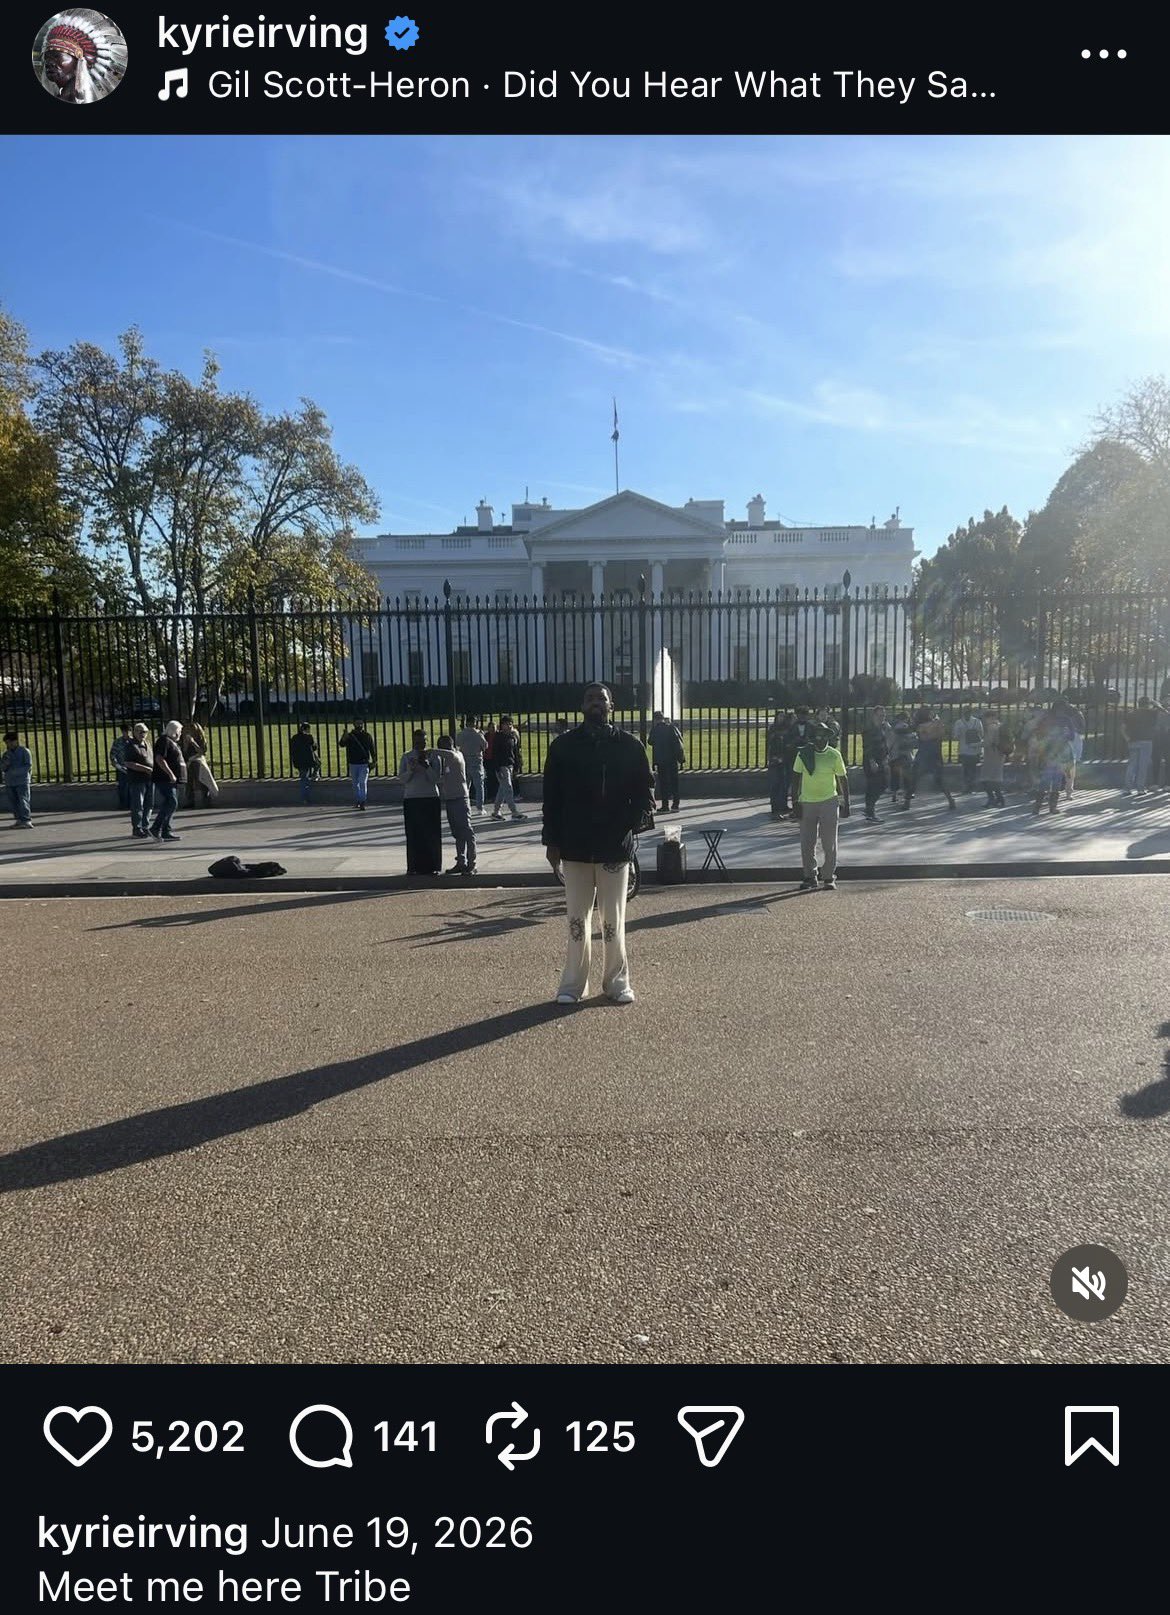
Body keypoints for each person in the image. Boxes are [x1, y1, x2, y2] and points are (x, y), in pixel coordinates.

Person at [542, 682, 655, 1005]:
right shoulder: (563, 747)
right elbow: (551, 799)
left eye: (601, 699)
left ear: (611, 706)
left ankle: (617, 982)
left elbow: (646, 792)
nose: (595, 703)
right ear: (582, 706)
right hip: (574, 845)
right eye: (590, 698)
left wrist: (629, 823)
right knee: (576, 920)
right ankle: (573, 985)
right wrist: (551, 841)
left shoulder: (629, 746)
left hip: (614, 846)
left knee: (613, 920)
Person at [791, 722, 849, 890]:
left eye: (824, 736)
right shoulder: (804, 754)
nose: (821, 739)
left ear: (828, 738)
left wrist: (846, 802)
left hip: (829, 801)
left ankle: (829, 876)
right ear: (813, 738)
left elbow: (842, 779)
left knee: (829, 842)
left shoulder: (834, 755)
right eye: (817, 736)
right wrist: (795, 802)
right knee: (807, 842)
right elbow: (795, 779)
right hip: (807, 802)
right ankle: (810, 876)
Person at [398, 729, 442, 875]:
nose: (420, 746)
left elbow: (435, 779)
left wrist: (427, 766)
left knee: (432, 834)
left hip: (430, 797)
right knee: (413, 834)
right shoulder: (406, 756)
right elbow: (402, 779)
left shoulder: (434, 757)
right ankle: (413, 866)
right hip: (412, 798)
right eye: (417, 743)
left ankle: (433, 866)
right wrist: (411, 769)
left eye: (423, 742)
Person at [437, 735, 477, 875]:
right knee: (457, 833)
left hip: (460, 799)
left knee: (467, 832)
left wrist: (432, 751)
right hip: (451, 799)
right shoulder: (448, 761)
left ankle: (472, 864)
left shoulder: (456, 755)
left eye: (443, 748)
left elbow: (449, 754)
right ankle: (461, 862)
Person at [148, 720, 186, 841]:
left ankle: (166, 830)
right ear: (175, 731)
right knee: (171, 802)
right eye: (180, 731)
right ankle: (156, 828)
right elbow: (160, 758)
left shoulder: (172, 742)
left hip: (171, 779)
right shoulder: (164, 741)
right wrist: (170, 774)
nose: (180, 734)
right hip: (164, 778)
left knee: (170, 803)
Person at [911, 707, 956, 810]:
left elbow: (938, 734)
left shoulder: (931, 724)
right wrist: (934, 728)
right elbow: (925, 736)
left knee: (938, 779)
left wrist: (931, 729)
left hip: (931, 755)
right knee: (914, 778)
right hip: (927, 755)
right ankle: (907, 801)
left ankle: (950, 800)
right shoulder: (930, 724)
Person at [1032, 718, 1074, 815]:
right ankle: (1052, 807)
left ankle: (1037, 807)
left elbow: (1041, 752)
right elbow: (1069, 756)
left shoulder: (1049, 739)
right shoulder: (1064, 741)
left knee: (1044, 786)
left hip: (1049, 765)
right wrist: (1068, 769)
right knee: (1055, 787)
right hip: (1057, 765)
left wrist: (1040, 765)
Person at [782, 706, 817, 820]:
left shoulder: (812, 727)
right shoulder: (791, 727)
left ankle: (808, 807)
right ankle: (795, 808)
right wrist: (794, 742)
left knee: (807, 783)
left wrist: (809, 742)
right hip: (793, 757)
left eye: (804, 715)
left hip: (807, 758)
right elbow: (786, 742)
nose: (802, 717)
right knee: (795, 784)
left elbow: (816, 741)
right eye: (800, 715)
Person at [489, 714, 526, 820]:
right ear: (502, 725)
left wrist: (516, 767)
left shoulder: (513, 736)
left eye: (510, 724)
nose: (509, 726)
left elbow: (515, 752)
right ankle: (514, 812)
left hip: (510, 765)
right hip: (502, 766)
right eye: (506, 724)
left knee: (502, 789)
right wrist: (497, 769)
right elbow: (495, 754)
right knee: (508, 788)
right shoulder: (498, 737)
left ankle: (496, 811)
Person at [648, 708, 685, 811]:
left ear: (655, 719)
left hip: (661, 760)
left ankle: (665, 805)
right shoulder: (671, 728)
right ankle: (676, 804)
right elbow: (678, 741)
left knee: (663, 783)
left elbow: (650, 741)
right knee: (674, 781)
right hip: (672, 759)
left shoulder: (655, 729)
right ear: (663, 718)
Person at [123, 721, 155, 837]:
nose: (143, 734)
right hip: (137, 779)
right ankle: (137, 828)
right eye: (140, 732)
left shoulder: (147, 743)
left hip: (150, 778)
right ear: (135, 732)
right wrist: (145, 769)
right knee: (138, 805)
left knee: (149, 804)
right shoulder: (131, 745)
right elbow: (128, 763)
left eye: (145, 732)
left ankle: (145, 826)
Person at [861, 706, 892, 822]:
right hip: (871, 760)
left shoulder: (882, 728)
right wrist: (871, 761)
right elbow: (867, 746)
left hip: (881, 759)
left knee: (883, 784)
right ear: (874, 715)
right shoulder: (869, 729)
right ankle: (870, 811)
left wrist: (886, 757)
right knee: (873, 785)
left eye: (884, 715)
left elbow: (885, 744)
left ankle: (869, 808)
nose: (882, 717)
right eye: (880, 715)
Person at [1122, 697, 1157, 794]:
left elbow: (1123, 728)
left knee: (1132, 765)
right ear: (1147, 704)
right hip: (1146, 741)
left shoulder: (1130, 714)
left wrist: (1127, 738)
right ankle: (1140, 788)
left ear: (1138, 703)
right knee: (1143, 765)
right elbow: (1164, 711)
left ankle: (1127, 787)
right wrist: (1155, 703)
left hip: (1133, 741)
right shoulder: (1151, 713)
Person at [340, 719, 376, 810]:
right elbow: (342, 744)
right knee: (355, 783)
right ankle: (358, 800)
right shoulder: (350, 736)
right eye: (357, 723)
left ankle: (362, 801)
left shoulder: (367, 736)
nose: (359, 725)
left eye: (361, 723)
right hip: (353, 763)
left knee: (362, 782)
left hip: (363, 763)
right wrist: (344, 736)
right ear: (354, 724)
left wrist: (374, 760)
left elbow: (372, 749)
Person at [182, 721, 219, 808]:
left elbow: (202, 752)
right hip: (189, 762)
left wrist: (193, 742)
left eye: (193, 730)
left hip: (198, 761)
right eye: (189, 730)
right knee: (189, 782)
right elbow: (184, 753)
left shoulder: (201, 740)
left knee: (202, 781)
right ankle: (190, 801)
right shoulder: (185, 739)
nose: (190, 732)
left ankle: (206, 800)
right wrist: (186, 744)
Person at [456, 714, 487, 813]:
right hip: (476, 760)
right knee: (479, 785)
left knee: (465, 785)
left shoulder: (461, 734)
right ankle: (480, 807)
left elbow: (457, 744)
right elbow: (485, 746)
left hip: (464, 760)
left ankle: (466, 805)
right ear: (475, 723)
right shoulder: (478, 734)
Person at [2, 732, 34, 828]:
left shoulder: (24, 751)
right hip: (10, 781)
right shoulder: (6, 754)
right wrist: (6, 763)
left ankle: (26, 820)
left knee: (23, 800)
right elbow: (2, 767)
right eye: (7, 743)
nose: (9, 745)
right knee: (14, 801)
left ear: (16, 741)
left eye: (10, 742)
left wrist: (15, 772)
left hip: (22, 781)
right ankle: (19, 819)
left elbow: (28, 766)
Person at [766, 709, 792, 820]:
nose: (781, 718)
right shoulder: (773, 729)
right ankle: (775, 808)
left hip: (784, 760)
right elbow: (771, 744)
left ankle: (783, 805)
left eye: (783, 716)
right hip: (775, 760)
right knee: (775, 785)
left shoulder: (786, 729)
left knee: (784, 784)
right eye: (780, 716)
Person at [888, 711, 917, 808]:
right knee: (906, 776)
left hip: (895, 755)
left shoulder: (892, 728)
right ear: (906, 718)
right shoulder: (907, 727)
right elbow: (913, 741)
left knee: (894, 776)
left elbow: (889, 742)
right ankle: (907, 794)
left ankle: (894, 795)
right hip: (906, 755)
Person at [952, 708, 984, 794]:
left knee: (966, 769)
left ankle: (967, 787)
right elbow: (981, 734)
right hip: (974, 748)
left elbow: (956, 736)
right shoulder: (977, 721)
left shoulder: (959, 723)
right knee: (972, 769)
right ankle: (971, 786)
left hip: (964, 749)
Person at [979, 712, 1007, 808]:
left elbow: (988, 742)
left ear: (990, 717)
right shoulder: (999, 726)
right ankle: (999, 799)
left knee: (985, 779)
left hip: (991, 756)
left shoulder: (991, 727)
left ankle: (993, 798)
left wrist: (977, 744)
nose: (984, 720)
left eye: (985, 718)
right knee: (995, 778)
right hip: (999, 755)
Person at [290, 722, 321, 804]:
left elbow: (292, 749)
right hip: (308, 760)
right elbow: (314, 747)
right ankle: (305, 797)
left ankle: (304, 798)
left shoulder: (294, 737)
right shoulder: (309, 737)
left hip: (298, 760)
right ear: (307, 729)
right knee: (305, 779)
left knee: (303, 778)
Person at [108, 721, 133, 811]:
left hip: (133, 767)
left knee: (132, 787)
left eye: (129, 731)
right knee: (122, 787)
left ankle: (132, 804)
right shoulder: (118, 742)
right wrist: (116, 764)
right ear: (122, 732)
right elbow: (113, 754)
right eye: (125, 731)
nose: (127, 733)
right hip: (121, 768)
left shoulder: (134, 741)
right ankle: (123, 804)